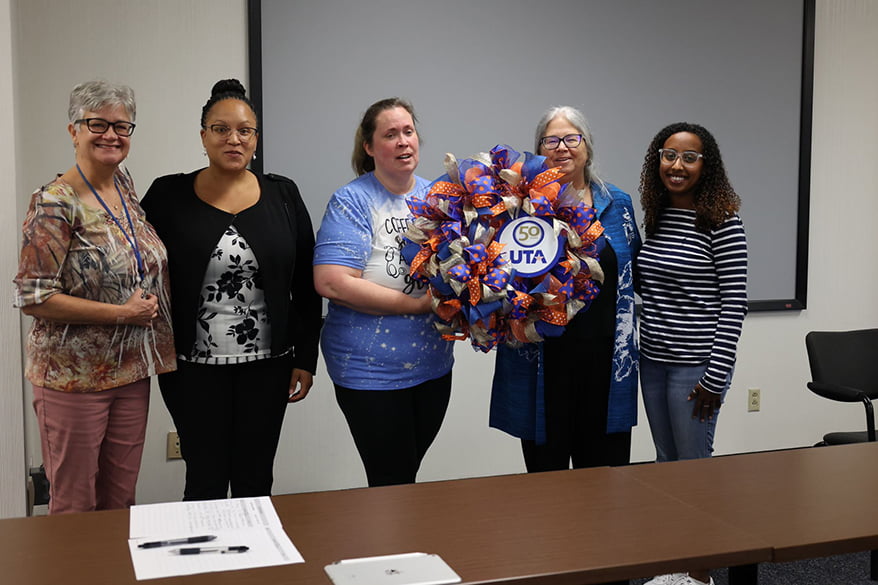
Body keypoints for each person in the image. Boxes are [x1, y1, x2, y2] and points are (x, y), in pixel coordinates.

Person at [140, 79, 322, 500]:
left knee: (255, 481)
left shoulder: (282, 194)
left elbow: (306, 286)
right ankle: (205, 567)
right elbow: (139, 268)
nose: (234, 139)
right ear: (203, 135)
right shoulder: (168, 194)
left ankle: (255, 565)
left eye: (245, 130)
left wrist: (306, 356)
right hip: (191, 369)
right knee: (203, 478)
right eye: (221, 129)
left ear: (256, 139)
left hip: (268, 365)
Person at [13, 80, 175, 514]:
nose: (111, 135)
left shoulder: (123, 185)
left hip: (130, 371)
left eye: (121, 126)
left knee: (120, 500)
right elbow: (33, 297)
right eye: (97, 124)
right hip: (72, 378)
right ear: (74, 130)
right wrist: (121, 314)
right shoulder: (53, 203)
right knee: (75, 505)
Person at [490, 105, 642, 472]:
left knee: (606, 478)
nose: (562, 148)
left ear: (587, 147)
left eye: (572, 138)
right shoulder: (518, 208)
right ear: (539, 151)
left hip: (606, 364)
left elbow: (633, 268)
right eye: (551, 140)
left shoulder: (617, 204)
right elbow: (494, 273)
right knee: (547, 484)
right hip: (544, 362)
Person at [313, 97, 454, 487]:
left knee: (403, 477)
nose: (403, 141)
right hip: (369, 371)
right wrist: (416, 304)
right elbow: (331, 282)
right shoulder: (353, 200)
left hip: (433, 367)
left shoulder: (440, 196)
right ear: (370, 147)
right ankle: (390, 548)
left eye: (408, 132)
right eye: (390, 135)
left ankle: (403, 545)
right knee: (391, 481)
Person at [637, 122, 748, 585]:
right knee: (666, 465)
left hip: (696, 366)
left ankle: (699, 574)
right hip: (654, 359)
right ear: (656, 161)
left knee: (694, 471)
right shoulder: (656, 215)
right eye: (669, 155)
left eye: (689, 157)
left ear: (708, 165)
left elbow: (734, 302)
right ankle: (674, 567)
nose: (676, 166)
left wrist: (715, 376)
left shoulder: (722, 221)